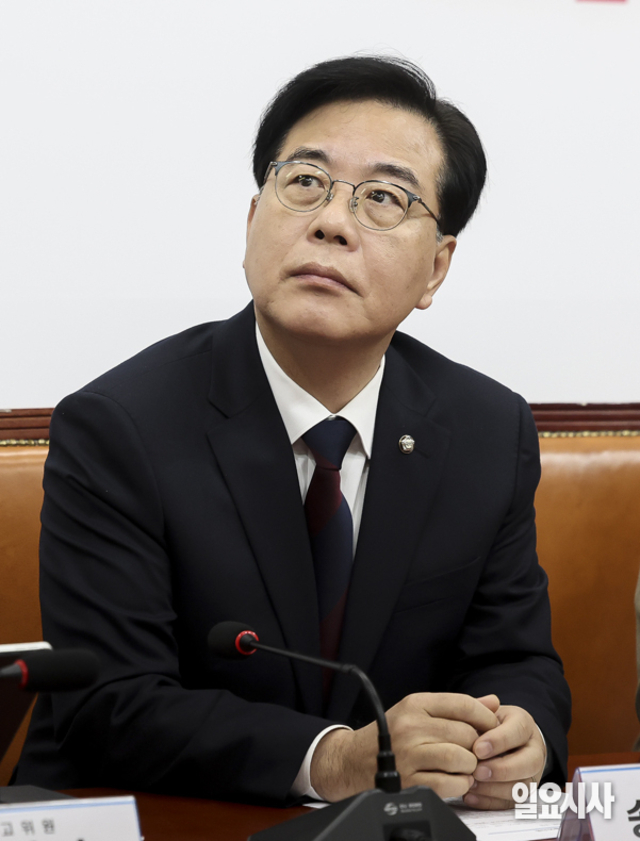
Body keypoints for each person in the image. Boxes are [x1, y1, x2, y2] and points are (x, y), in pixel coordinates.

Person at [16, 55, 570, 808]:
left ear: (436, 269)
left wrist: (521, 735)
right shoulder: (120, 427)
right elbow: (111, 705)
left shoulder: (487, 430)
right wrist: (333, 760)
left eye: (383, 198)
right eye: (305, 182)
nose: (332, 222)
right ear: (253, 221)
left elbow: (516, 659)